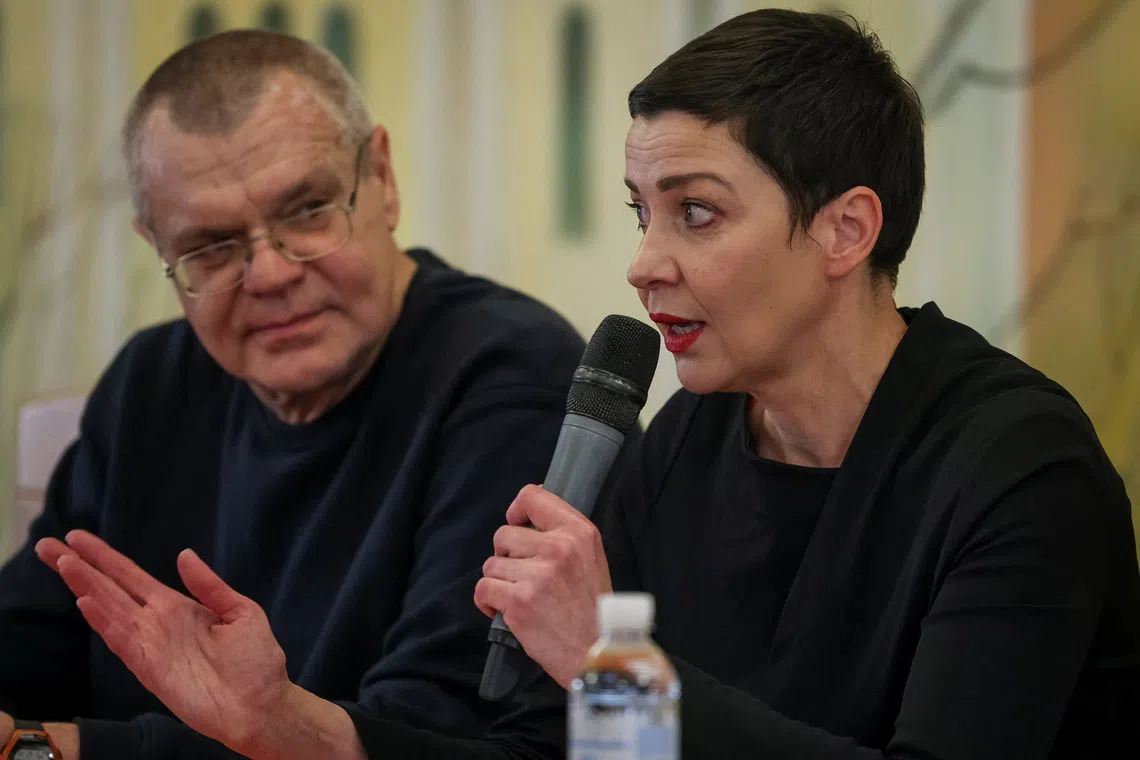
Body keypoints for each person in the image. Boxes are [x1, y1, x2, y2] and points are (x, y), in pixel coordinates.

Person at [28, 8, 1140, 760]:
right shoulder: (688, 441)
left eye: (695, 212)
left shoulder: (1016, 467)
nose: (645, 262)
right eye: (640, 213)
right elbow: (596, 753)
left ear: (846, 229)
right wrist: (287, 726)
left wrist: (612, 660)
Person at [0, 29, 593, 760]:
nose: (271, 274)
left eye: (308, 210)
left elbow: (429, 732)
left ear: (382, 179)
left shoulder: (511, 375)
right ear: (157, 245)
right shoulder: (149, 383)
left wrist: (48, 750)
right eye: (211, 246)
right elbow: (26, 642)